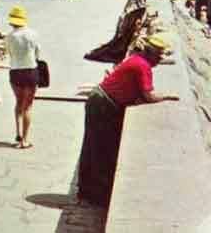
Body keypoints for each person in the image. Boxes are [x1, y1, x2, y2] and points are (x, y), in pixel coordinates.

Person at [77, 34, 179, 207]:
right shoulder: (142, 66)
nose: (159, 61)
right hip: (104, 104)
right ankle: (95, 194)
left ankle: (87, 190)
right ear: (151, 54)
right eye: (158, 57)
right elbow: (149, 95)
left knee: (93, 146)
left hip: (101, 100)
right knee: (101, 149)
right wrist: (168, 96)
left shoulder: (136, 59)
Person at [5, 5, 41, 149]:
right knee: (28, 106)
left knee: (18, 103)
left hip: (15, 71)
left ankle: (18, 133)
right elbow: (38, 52)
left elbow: (10, 53)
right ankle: (24, 140)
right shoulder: (32, 34)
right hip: (30, 70)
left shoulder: (9, 36)